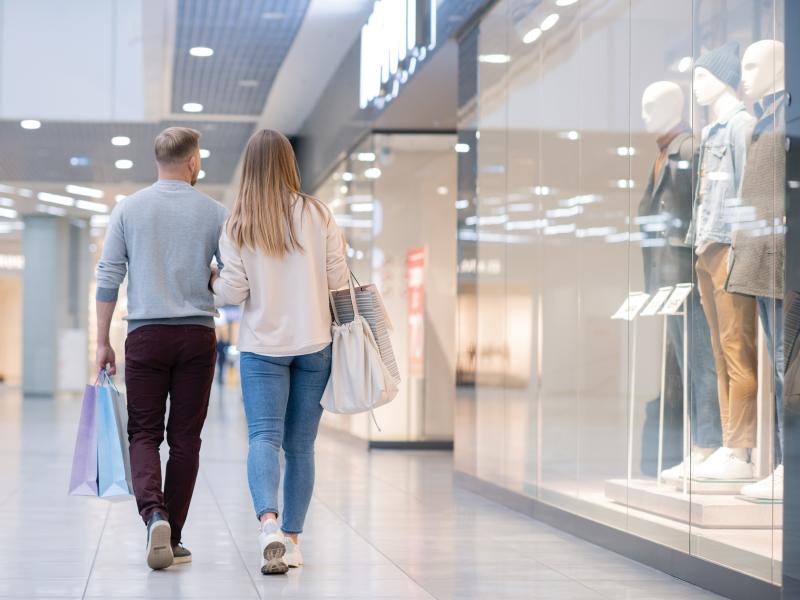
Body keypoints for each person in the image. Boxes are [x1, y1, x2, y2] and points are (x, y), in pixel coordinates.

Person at [211, 129, 348, 575]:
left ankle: (267, 523)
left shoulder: (239, 222)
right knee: (302, 446)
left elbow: (232, 292)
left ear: (249, 167)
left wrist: (213, 280)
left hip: (262, 346)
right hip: (315, 343)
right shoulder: (318, 213)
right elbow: (337, 281)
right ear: (290, 163)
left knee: (263, 439)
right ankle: (292, 540)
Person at [95, 127, 227, 570]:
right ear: (193, 162)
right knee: (186, 439)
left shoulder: (129, 209)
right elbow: (233, 278)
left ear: (158, 160)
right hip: (195, 334)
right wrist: (208, 276)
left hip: (145, 335)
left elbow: (108, 276)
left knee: (144, 433)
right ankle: (177, 533)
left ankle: (154, 516)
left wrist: (102, 341)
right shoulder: (214, 212)